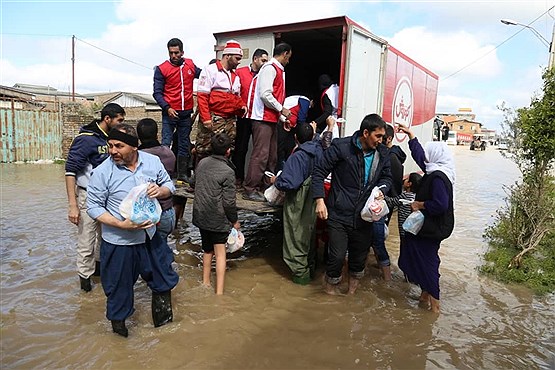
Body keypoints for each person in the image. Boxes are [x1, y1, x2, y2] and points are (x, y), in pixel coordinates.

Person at [87, 123, 179, 337]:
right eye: (110, 145)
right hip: (120, 242)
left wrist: (161, 190)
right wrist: (121, 224)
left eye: (118, 146)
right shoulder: (102, 172)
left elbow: (169, 185)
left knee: (163, 281)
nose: (112, 151)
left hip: (150, 237)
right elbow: (93, 207)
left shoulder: (152, 162)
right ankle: (120, 343)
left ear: (134, 146)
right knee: (118, 293)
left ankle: (166, 337)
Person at [312, 113, 392, 295]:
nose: (381, 140)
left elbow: (387, 177)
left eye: (382, 137)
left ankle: (351, 295)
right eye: (377, 136)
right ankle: (330, 292)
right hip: (339, 214)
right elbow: (318, 172)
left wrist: (382, 190)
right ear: (365, 132)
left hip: (365, 216)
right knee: (337, 257)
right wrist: (319, 201)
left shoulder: (383, 153)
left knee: (358, 258)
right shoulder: (342, 148)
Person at [65, 103, 126, 292]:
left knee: (106, 238)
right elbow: (69, 171)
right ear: (107, 119)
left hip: (108, 197)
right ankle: (85, 288)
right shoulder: (86, 139)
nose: (121, 124)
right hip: (87, 195)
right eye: (119, 120)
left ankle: (99, 278)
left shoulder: (112, 140)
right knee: (86, 242)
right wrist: (72, 205)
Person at [396, 124, 455, 313]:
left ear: (435, 157)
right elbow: (421, 157)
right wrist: (411, 137)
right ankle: (424, 296)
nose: (426, 158)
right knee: (416, 254)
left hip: (433, 228)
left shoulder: (438, 178)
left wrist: (419, 205)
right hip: (432, 227)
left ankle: (435, 306)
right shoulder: (435, 170)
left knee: (428, 263)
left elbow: (440, 204)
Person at [271, 122, 326, 284]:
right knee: (308, 236)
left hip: (299, 202)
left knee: (295, 239)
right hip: (314, 199)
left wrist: (276, 180)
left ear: (295, 138)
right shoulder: (319, 150)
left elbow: (290, 183)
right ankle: (311, 272)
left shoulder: (298, 156)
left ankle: (301, 281)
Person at [243, 42, 293, 202]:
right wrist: (282, 110)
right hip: (262, 118)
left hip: (271, 118)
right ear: (285, 54)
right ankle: (250, 188)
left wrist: (281, 118)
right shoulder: (270, 68)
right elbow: (265, 94)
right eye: (289, 57)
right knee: (260, 155)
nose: (288, 61)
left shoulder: (277, 69)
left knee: (272, 156)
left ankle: (265, 186)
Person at [192, 133, 241, 295]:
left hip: (201, 215)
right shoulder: (227, 171)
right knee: (221, 255)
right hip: (217, 219)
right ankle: (219, 294)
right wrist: (234, 221)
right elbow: (228, 203)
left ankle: (205, 283)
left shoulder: (202, 163)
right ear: (228, 151)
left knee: (207, 250)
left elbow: (193, 183)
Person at [153, 37, 201, 182]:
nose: (173, 56)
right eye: (171, 53)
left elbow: (204, 75)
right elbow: (157, 93)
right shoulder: (162, 69)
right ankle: (163, 174)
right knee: (166, 143)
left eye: (176, 52)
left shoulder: (190, 65)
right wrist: (167, 108)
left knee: (183, 143)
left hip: (186, 112)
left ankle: (182, 174)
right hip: (169, 113)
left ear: (182, 52)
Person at [195, 40, 247, 165]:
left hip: (229, 120)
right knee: (205, 148)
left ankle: (220, 176)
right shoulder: (210, 70)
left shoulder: (235, 77)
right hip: (213, 117)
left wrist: (242, 105)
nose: (239, 61)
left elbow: (236, 97)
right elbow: (202, 96)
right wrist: (206, 119)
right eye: (237, 58)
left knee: (227, 149)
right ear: (227, 56)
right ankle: (200, 177)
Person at [370, 124, 405, 280]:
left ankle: (387, 277)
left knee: (378, 240)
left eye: (380, 137)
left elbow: (394, 187)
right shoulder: (386, 155)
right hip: (377, 205)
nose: (377, 140)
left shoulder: (391, 159)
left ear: (388, 139)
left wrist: (386, 204)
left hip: (382, 206)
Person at [233, 48, 269, 186]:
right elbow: (234, 92)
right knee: (240, 148)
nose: (265, 64)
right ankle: (238, 178)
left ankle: (256, 181)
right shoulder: (240, 72)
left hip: (258, 117)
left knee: (259, 150)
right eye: (263, 60)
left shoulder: (265, 75)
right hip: (243, 116)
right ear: (255, 59)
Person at [136, 118, 176, 240]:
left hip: (145, 214)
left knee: (145, 252)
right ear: (157, 134)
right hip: (166, 212)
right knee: (161, 252)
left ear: (138, 136)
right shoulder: (169, 153)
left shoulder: (137, 157)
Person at [385, 172, 422, 251]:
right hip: (412, 230)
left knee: (404, 248)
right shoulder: (415, 197)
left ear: (409, 184)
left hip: (404, 230)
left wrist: (380, 194)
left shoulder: (405, 196)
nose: (404, 180)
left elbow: (391, 202)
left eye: (407, 179)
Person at [277, 94, 313, 171]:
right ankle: (282, 167)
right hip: (284, 121)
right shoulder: (305, 100)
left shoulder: (297, 99)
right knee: (282, 147)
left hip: (285, 121)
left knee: (284, 146)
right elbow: (301, 118)